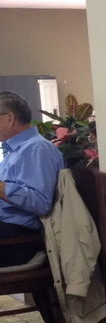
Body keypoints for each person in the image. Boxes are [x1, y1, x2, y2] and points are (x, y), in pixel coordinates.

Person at [0, 91, 64, 266]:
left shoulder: (37, 149)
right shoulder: (15, 150)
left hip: (18, 238)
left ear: (10, 118)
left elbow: (41, 203)